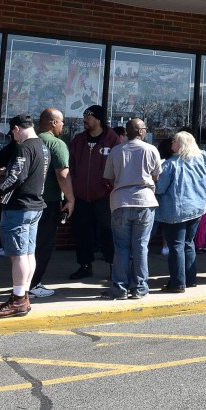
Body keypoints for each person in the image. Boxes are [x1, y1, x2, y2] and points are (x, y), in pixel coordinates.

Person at [0, 116, 47, 319]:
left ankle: (18, 299)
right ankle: (22, 296)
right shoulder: (42, 146)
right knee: (28, 253)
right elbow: (30, 172)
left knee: (18, 255)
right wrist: (5, 169)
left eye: (12, 132)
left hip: (19, 207)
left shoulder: (23, 147)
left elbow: (17, 177)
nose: (13, 136)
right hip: (34, 206)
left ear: (16, 128)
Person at [155, 130, 206, 293]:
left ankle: (178, 283)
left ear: (181, 144)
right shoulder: (202, 157)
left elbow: (159, 188)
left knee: (176, 246)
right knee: (188, 243)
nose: (171, 143)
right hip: (197, 209)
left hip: (176, 211)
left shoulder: (170, 164)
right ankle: (190, 279)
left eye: (174, 141)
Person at [102, 118, 161, 300]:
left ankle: (119, 288)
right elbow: (156, 176)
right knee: (141, 246)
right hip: (145, 202)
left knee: (121, 247)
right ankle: (140, 288)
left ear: (127, 132)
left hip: (120, 202)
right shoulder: (151, 149)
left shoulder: (116, 150)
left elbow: (108, 178)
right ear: (141, 131)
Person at [67, 105, 120, 280]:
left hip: (104, 196)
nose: (84, 120)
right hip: (81, 196)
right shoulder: (78, 140)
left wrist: (109, 187)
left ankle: (114, 267)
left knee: (108, 232)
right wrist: (72, 188)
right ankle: (85, 265)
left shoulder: (112, 139)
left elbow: (118, 166)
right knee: (81, 232)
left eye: (88, 117)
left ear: (98, 119)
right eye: (84, 117)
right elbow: (71, 164)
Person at [27, 108, 73, 299]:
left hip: (28, 202)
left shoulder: (29, 142)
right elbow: (63, 174)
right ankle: (34, 283)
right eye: (61, 122)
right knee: (44, 245)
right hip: (49, 201)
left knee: (28, 246)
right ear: (53, 123)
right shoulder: (57, 144)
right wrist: (71, 199)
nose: (63, 125)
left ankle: (22, 283)